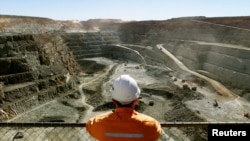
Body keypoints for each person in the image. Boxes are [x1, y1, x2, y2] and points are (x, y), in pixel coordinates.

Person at [86, 74, 162, 141]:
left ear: (113, 100)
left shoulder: (98, 123)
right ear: (136, 100)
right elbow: (157, 132)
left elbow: (89, 125)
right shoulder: (151, 125)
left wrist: (107, 116)